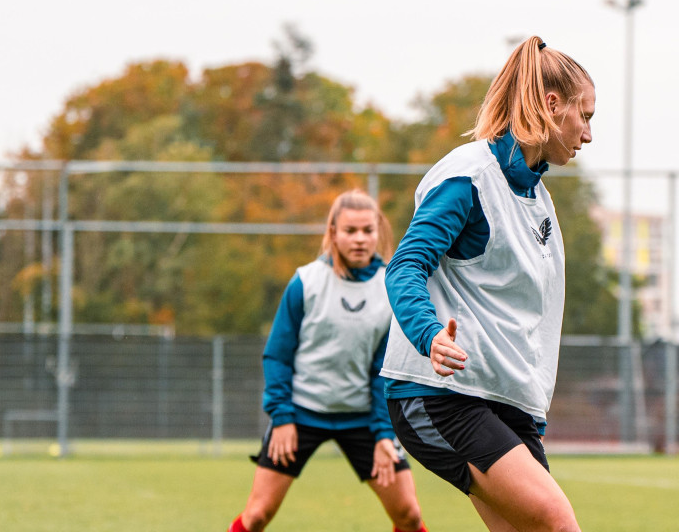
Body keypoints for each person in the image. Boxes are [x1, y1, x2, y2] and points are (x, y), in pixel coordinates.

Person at [381, 35, 593, 532]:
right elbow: (406, 265)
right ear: (551, 104)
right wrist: (429, 334)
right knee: (559, 523)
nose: (587, 133)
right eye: (585, 115)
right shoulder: (468, 178)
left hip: (504, 403)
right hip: (440, 394)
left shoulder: (538, 198)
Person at [229, 190, 427, 532]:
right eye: (350, 231)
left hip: (364, 419)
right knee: (258, 515)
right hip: (300, 413)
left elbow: (385, 369)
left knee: (408, 515)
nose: (360, 239)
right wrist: (282, 417)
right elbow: (278, 356)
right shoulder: (305, 282)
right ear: (333, 233)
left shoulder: (389, 287)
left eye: (368, 230)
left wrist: (383, 433)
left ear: (379, 231)